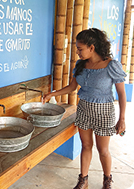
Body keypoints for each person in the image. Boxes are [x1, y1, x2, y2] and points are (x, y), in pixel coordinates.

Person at [43, 28, 126, 189]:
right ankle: (83, 179)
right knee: (86, 146)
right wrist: (51, 94)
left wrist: (122, 119)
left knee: (103, 150)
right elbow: (72, 87)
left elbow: (122, 94)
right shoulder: (81, 65)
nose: (77, 52)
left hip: (104, 112)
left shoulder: (111, 65)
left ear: (92, 47)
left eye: (80, 48)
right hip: (84, 110)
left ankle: (107, 180)